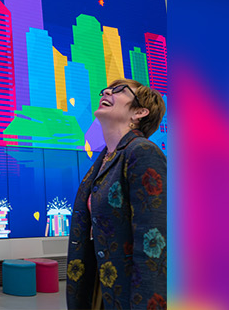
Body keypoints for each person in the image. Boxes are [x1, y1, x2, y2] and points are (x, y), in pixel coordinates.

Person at [66, 79, 169, 309]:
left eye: (120, 90)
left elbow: (155, 241)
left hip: (129, 292)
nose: (107, 91)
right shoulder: (103, 161)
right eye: (106, 89)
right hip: (100, 286)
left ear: (140, 112)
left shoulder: (142, 152)